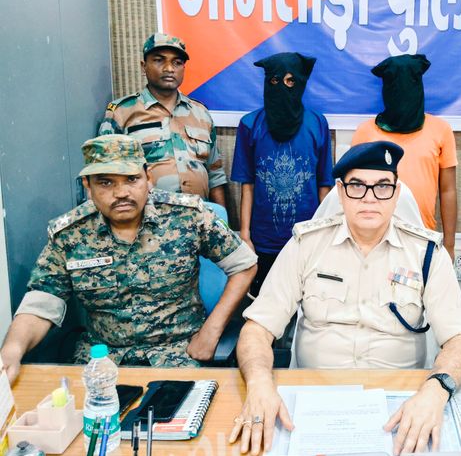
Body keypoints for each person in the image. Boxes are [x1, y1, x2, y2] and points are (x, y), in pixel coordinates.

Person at [228, 141, 461, 456]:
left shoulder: (426, 253)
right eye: (357, 186)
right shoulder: (306, 245)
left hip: (401, 401)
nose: (370, 198)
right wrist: (260, 383)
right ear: (340, 192)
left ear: (397, 193)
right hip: (314, 400)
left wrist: (436, 389)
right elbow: (257, 329)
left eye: (382, 186)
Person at [0, 135, 257, 384]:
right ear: (88, 186)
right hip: (101, 362)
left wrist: (211, 331)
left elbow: (244, 265)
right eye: (106, 183)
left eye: (132, 179)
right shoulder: (70, 234)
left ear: (148, 178)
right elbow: (42, 302)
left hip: (178, 354)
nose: (121, 193)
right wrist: (12, 350)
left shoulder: (187, 216)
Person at [231, 52, 333, 298]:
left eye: (290, 81)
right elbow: (247, 185)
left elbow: (324, 185)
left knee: (307, 302)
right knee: (264, 303)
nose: (282, 87)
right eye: (275, 81)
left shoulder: (317, 123)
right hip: (264, 239)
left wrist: (327, 232)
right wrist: (245, 234)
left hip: (307, 237)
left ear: (300, 83)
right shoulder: (250, 124)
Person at [98, 33, 227, 207]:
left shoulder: (201, 113)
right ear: (144, 66)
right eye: (159, 60)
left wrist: (221, 218)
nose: (169, 68)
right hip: (148, 218)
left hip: (199, 216)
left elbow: (215, 175)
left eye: (177, 62)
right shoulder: (121, 113)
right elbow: (105, 174)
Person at [351, 54, 458, 258]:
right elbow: (353, 188)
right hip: (375, 236)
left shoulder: (440, 130)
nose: (402, 93)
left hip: (422, 234)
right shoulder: (366, 132)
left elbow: (448, 190)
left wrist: (450, 245)